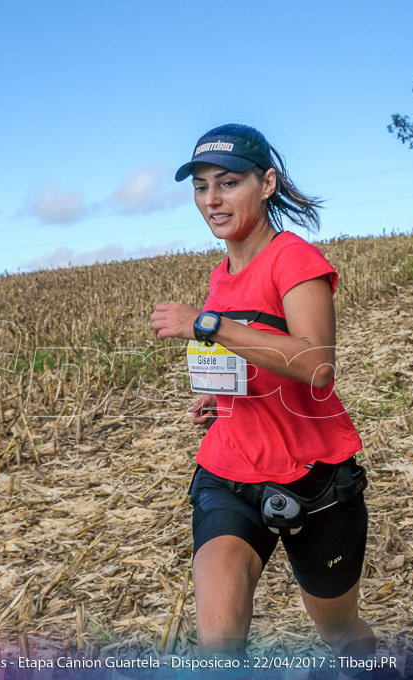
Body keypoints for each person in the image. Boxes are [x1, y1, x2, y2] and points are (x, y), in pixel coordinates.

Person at [150, 123, 376, 663]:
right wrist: (224, 393)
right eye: (201, 186)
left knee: (340, 636)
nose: (212, 199)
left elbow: (317, 364)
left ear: (267, 183)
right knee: (219, 646)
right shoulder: (221, 273)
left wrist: (208, 325)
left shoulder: (293, 259)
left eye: (227, 183)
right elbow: (253, 354)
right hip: (230, 474)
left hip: (315, 481)